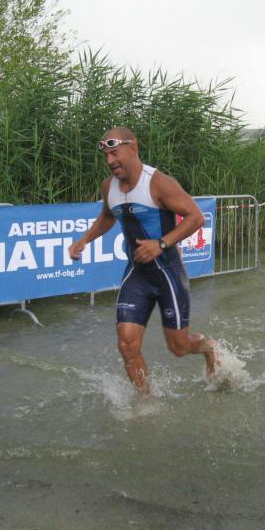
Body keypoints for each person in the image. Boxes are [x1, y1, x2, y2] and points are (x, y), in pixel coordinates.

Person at [68, 127, 219, 395]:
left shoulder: (158, 183)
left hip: (168, 273)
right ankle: (146, 400)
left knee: (179, 347)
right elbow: (107, 216)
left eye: (115, 153)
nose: (110, 161)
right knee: (126, 344)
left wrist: (161, 244)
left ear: (133, 148)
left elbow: (196, 217)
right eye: (106, 156)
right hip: (137, 274)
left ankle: (209, 347)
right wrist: (84, 240)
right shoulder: (109, 186)